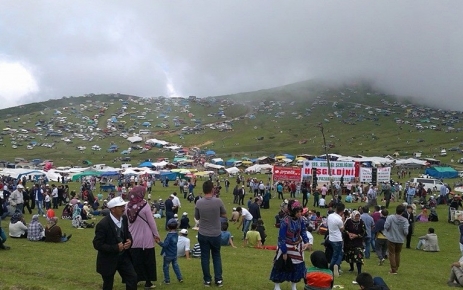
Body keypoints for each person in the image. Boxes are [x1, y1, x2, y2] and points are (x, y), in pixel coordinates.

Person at [93, 196, 137, 290]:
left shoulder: (124, 219)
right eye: (120, 206)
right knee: (108, 284)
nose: (123, 208)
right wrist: (115, 248)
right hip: (108, 259)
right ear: (113, 209)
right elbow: (97, 244)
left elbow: (127, 233)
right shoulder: (103, 224)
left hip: (123, 257)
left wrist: (129, 241)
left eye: (123, 206)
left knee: (132, 278)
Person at [270, 199, 310, 290]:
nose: (300, 213)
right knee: (281, 265)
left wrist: (306, 241)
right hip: (286, 246)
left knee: (297, 266)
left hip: (297, 246)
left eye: (300, 211)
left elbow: (303, 231)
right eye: (298, 212)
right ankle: (277, 285)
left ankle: (294, 285)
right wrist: (284, 251)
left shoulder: (301, 220)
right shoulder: (285, 221)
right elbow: (281, 237)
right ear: (292, 211)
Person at [125, 186, 160, 289]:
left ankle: (134, 280)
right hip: (146, 238)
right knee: (147, 261)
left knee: (134, 261)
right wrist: (156, 234)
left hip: (132, 237)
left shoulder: (127, 206)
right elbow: (151, 222)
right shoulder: (145, 205)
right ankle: (148, 282)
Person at [194, 180, 227, 287]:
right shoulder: (218, 201)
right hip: (216, 233)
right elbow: (224, 214)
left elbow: (197, 217)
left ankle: (207, 280)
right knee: (216, 256)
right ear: (212, 189)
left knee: (205, 257)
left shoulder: (199, 202)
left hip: (203, 233)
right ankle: (218, 279)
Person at [155, 219, 184, 284]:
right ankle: (180, 278)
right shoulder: (176, 234)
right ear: (176, 227)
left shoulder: (169, 236)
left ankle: (167, 280)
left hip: (167, 254)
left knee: (166, 267)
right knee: (175, 266)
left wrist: (158, 242)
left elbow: (165, 245)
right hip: (174, 254)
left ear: (168, 227)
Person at [384, 204, 409, 274]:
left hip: (391, 238)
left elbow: (386, 226)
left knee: (391, 254)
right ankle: (396, 267)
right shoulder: (405, 220)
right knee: (397, 253)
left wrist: (389, 230)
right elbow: (406, 231)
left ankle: (393, 269)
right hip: (400, 239)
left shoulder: (390, 218)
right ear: (403, 212)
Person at [344, 210, 366, 275]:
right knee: (350, 255)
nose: (357, 217)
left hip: (358, 242)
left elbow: (364, 232)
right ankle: (351, 268)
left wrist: (356, 236)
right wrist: (349, 234)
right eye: (356, 216)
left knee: (358, 256)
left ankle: (359, 271)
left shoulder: (361, 222)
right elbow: (344, 229)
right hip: (349, 242)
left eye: (358, 216)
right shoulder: (348, 221)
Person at [327, 203, 345, 277]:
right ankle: (333, 267)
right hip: (337, 239)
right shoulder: (339, 220)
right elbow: (342, 229)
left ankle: (334, 266)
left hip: (331, 237)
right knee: (338, 254)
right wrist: (343, 220)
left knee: (335, 254)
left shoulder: (330, 216)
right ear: (342, 211)